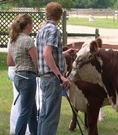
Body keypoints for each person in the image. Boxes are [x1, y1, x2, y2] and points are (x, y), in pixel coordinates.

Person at [36, 2, 71, 135]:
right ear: (60, 15)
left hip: (44, 78)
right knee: (51, 118)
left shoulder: (42, 30)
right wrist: (60, 76)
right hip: (52, 79)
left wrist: (64, 54)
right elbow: (46, 53)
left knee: (44, 116)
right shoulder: (53, 30)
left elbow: (46, 53)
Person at [7, 13, 38, 135]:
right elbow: (37, 62)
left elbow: (10, 62)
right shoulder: (28, 40)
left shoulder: (13, 40)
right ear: (28, 25)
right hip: (28, 77)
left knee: (32, 109)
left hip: (18, 76)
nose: (32, 27)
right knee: (25, 111)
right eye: (32, 25)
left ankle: (35, 132)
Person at [7, 40, 31, 135]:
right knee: (24, 101)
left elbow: (9, 61)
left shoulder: (12, 39)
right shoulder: (23, 40)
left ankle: (15, 127)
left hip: (14, 71)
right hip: (21, 71)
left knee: (18, 99)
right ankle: (24, 129)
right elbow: (10, 61)